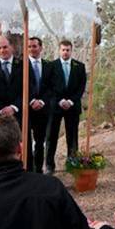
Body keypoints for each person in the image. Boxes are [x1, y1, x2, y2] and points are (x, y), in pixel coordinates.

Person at [45, 39, 87, 172]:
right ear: (59, 50)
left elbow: (81, 87)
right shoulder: (51, 66)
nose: (65, 52)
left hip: (72, 106)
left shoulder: (79, 66)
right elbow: (48, 87)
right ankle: (50, 165)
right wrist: (59, 100)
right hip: (55, 106)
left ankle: (72, 162)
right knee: (51, 136)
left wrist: (71, 101)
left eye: (68, 50)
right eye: (63, 50)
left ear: (71, 51)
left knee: (72, 135)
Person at [26, 36, 54, 173]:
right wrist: (31, 101)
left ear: (41, 48)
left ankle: (38, 171)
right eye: (29, 46)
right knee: (26, 142)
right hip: (27, 110)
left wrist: (42, 101)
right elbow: (20, 86)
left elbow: (51, 87)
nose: (32, 49)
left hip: (43, 110)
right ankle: (28, 171)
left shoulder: (49, 65)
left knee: (40, 142)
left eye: (34, 46)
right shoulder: (21, 65)